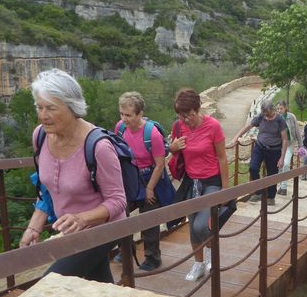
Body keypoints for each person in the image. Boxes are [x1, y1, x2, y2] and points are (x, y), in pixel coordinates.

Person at [20, 68, 126, 283]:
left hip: (103, 230)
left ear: (72, 107)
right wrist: (34, 226)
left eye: (51, 108)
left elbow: (118, 201)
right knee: (98, 285)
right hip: (72, 231)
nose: (43, 115)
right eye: (39, 107)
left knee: (51, 284)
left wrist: (82, 218)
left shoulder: (98, 146)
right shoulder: (40, 136)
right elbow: (47, 189)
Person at [169, 88, 230, 281]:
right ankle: (198, 264)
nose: (185, 119)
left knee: (201, 225)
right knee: (192, 224)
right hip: (191, 182)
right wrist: (173, 148)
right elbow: (172, 152)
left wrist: (226, 190)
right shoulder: (178, 127)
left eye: (189, 115)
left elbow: (222, 157)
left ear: (198, 108)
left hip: (212, 182)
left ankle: (212, 255)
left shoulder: (213, 126)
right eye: (181, 115)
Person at [114, 92, 173, 271]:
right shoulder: (120, 128)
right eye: (121, 114)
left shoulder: (151, 134)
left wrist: (149, 189)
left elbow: (160, 164)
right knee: (119, 214)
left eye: (128, 115)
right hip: (130, 178)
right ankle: (125, 250)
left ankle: (152, 257)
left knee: (149, 219)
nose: (124, 119)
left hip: (150, 178)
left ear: (140, 114)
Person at [230, 100, 287, 206]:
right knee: (253, 168)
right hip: (260, 147)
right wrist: (235, 138)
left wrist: (282, 157)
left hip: (274, 150)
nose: (266, 116)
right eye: (264, 114)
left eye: (268, 114)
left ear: (272, 110)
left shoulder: (280, 119)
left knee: (272, 174)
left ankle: (271, 197)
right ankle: (258, 192)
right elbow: (248, 127)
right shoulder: (261, 116)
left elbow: (284, 139)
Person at [275, 101, 304, 195]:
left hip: (289, 144)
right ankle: (277, 185)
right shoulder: (274, 117)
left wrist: (301, 146)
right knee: (278, 165)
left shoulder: (291, 117)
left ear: (285, 108)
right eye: (278, 109)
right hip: (277, 145)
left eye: (281, 108)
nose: (279, 110)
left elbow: (297, 132)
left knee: (286, 163)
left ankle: (283, 187)